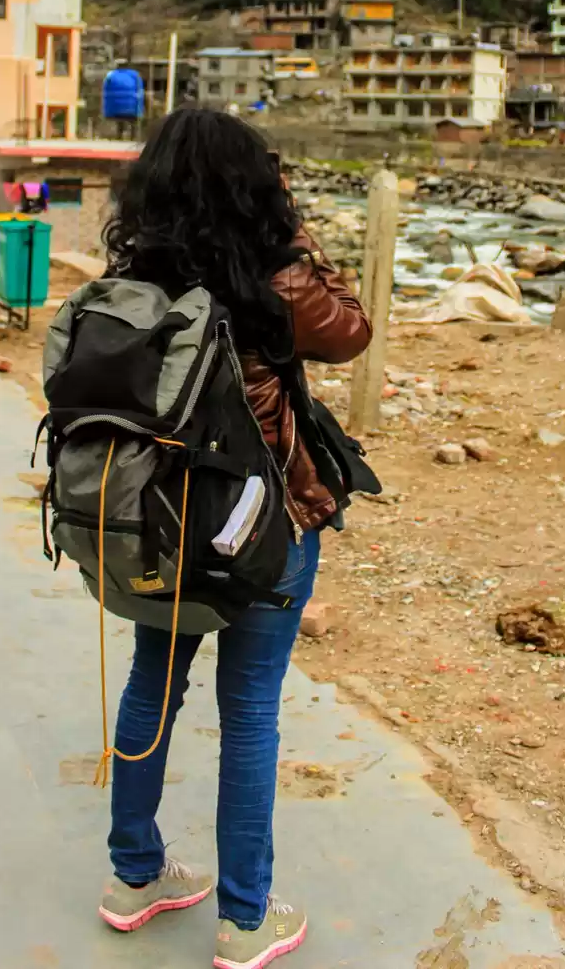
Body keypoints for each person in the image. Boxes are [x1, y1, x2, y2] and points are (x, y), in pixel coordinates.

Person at [98, 109, 371, 968]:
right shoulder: (274, 279)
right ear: (255, 184)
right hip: (263, 521)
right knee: (249, 711)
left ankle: (135, 875)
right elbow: (354, 331)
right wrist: (291, 228)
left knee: (154, 681)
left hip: (163, 522)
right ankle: (247, 917)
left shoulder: (139, 273)